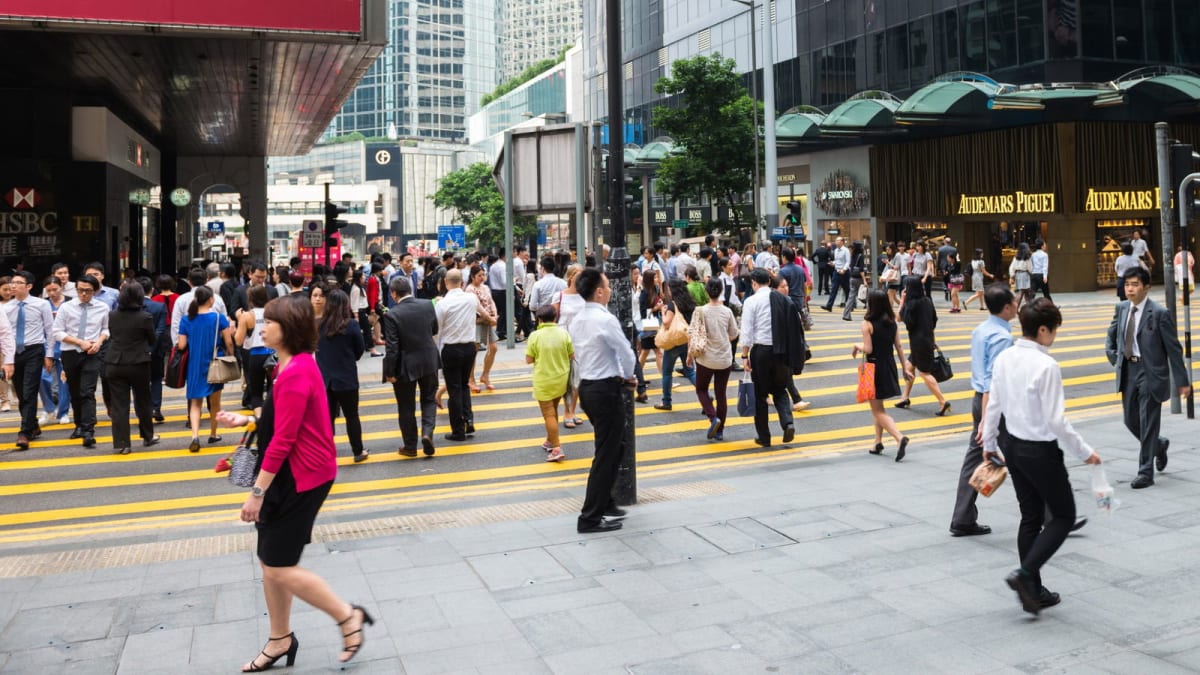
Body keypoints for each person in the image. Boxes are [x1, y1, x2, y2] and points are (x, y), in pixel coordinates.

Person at [215, 294, 374, 670]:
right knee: (269, 561)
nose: (262, 326)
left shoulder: (298, 371)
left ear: (288, 330)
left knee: (278, 565)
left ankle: (347, 616)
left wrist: (256, 495)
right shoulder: (288, 365)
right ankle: (280, 638)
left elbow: (284, 441)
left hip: (303, 477)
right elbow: (284, 421)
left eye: (269, 322)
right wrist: (249, 421)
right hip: (289, 474)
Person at [983, 298, 1102, 616]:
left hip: (1012, 447)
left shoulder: (1006, 357)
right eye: (1055, 330)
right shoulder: (1047, 365)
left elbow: (994, 402)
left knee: (1031, 517)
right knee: (1063, 517)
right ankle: (1024, 575)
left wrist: (989, 441)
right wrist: (1085, 452)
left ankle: (1033, 591)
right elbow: (1056, 421)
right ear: (1044, 329)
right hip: (1040, 450)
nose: (1055, 336)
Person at [1104, 266, 1190, 489]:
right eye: (1127, 284)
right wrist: (1115, 358)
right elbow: (1111, 337)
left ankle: (1145, 472)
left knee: (1148, 422)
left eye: (1134, 285)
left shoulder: (1159, 313)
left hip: (1150, 373)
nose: (1129, 289)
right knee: (1130, 420)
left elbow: (1174, 349)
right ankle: (1159, 446)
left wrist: (1182, 381)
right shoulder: (1122, 308)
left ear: (1146, 287)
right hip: (1128, 372)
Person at [568, 268, 637, 533]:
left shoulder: (577, 319)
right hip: (605, 390)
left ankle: (606, 502)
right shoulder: (604, 320)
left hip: (587, 388)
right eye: (607, 286)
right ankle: (589, 518)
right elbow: (625, 351)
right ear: (598, 292)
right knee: (606, 455)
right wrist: (630, 376)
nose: (609, 290)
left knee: (612, 447)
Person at [949, 283, 1018, 537]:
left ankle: (962, 518)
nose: (1017, 303)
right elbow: (993, 381)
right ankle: (1051, 514)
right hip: (994, 404)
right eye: (1014, 300)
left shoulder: (981, 330)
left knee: (974, 458)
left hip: (979, 400)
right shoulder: (1002, 338)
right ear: (1007, 307)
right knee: (1024, 455)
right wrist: (987, 421)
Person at [851, 289, 912, 460]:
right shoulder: (892, 322)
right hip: (889, 364)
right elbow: (899, 347)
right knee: (879, 407)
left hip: (874, 367)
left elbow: (868, 348)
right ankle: (877, 442)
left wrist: (857, 345)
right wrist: (904, 368)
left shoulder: (867, 323)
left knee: (877, 410)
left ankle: (899, 438)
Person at [739, 269, 797, 447]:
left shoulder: (751, 301)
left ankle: (764, 437)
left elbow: (747, 331)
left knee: (760, 394)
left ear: (754, 283)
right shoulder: (783, 299)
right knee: (780, 390)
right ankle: (787, 423)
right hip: (781, 351)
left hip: (761, 352)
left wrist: (744, 355)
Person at [382, 276, 440, 458]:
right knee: (429, 399)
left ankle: (410, 446)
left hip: (405, 364)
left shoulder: (392, 314)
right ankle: (427, 433)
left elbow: (392, 347)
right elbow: (434, 330)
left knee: (406, 405)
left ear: (393, 294)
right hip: (429, 359)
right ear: (410, 289)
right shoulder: (427, 305)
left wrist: (389, 372)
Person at [177, 286, 234, 453]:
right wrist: (231, 355)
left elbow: (181, 345)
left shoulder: (187, 319)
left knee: (195, 403)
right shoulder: (218, 318)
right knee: (215, 402)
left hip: (194, 364)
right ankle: (213, 434)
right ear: (211, 300)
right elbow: (229, 342)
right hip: (214, 364)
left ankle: (195, 436)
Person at [104, 282, 159, 454]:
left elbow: (112, 335)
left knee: (119, 405)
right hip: (138, 362)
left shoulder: (112, 315)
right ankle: (147, 436)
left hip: (115, 362)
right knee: (143, 400)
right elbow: (152, 339)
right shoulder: (145, 317)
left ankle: (122, 443)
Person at [52, 274, 105, 447]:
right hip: (70, 353)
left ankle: (89, 431)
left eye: (88, 291)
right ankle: (79, 425)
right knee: (74, 391)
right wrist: (79, 342)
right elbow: (57, 332)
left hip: (92, 353)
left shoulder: (102, 307)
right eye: (80, 290)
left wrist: (98, 342)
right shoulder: (67, 308)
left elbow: (106, 329)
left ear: (95, 291)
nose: (83, 294)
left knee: (87, 392)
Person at [315, 290, 366, 462]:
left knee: (327, 419)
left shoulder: (318, 325)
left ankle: (326, 453)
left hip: (324, 380)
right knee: (352, 415)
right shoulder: (350, 324)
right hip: (347, 378)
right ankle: (358, 451)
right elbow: (360, 349)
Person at [6, 272, 54, 450]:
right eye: (13, 282)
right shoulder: (5, 308)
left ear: (29, 286)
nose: (13, 285)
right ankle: (33, 425)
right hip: (14, 353)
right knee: (21, 392)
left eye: (18, 282)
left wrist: (49, 355)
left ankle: (24, 432)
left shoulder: (41, 304)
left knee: (29, 390)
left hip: (34, 350)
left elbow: (50, 331)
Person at [688, 278, 739, 441]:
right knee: (721, 394)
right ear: (721, 291)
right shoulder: (727, 311)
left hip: (705, 358)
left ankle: (713, 417)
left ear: (707, 292)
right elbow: (734, 334)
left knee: (701, 389)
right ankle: (720, 431)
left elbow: (692, 334)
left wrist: (689, 355)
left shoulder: (699, 311)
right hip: (724, 358)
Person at [894, 277, 951, 416]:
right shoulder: (927, 301)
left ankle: (943, 401)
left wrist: (902, 301)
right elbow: (934, 320)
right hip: (927, 339)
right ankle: (905, 397)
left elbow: (899, 318)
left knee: (924, 373)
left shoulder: (911, 304)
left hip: (918, 343)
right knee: (909, 368)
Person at [437, 269, 481, 442]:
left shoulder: (443, 304)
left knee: (454, 388)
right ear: (461, 282)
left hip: (451, 348)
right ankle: (468, 420)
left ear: (446, 283)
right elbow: (480, 312)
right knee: (464, 385)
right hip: (469, 347)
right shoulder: (471, 298)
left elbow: (437, 329)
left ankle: (458, 430)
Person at [526, 304, 574, 462]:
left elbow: (529, 359)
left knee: (548, 414)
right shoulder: (563, 333)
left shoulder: (535, 336)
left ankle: (557, 447)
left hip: (544, 379)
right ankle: (550, 440)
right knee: (553, 411)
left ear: (539, 319)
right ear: (555, 317)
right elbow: (572, 355)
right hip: (561, 378)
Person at [654, 279, 697, 411]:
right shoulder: (689, 303)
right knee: (690, 371)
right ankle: (705, 394)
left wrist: (662, 310)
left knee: (667, 373)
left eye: (668, 289)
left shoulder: (672, 305)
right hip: (686, 340)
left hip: (674, 342)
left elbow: (666, 323)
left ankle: (666, 401)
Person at [38, 276, 71, 427]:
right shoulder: (42, 304)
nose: (52, 293)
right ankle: (49, 408)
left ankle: (63, 412)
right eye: (48, 290)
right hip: (46, 346)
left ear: (61, 287)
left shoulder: (70, 302)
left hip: (66, 344)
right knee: (42, 378)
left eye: (55, 289)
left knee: (64, 381)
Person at [235, 285, 273, 412]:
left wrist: (239, 318)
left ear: (250, 299)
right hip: (273, 354)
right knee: (273, 391)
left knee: (256, 394)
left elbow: (238, 340)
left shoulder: (247, 316)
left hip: (255, 355)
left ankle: (260, 420)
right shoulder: (273, 312)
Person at [467, 263, 499, 392]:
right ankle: (471, 379)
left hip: (488, 321)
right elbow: (477, 307)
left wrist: (495, 315)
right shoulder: (469, 290)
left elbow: (491, 301)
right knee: (473, 351)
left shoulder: (485, 287)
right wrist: (490, 318)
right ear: (472, 277)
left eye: (483, 275)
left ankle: (485, 375)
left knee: (493, 348)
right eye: (479, 275)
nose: (482, 277)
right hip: (477, 322)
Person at [636, 270, 664, 405]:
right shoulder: (644, 293)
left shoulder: (655, 289)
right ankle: (640, 376)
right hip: (648, 326)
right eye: (655, 277)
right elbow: (642, 312)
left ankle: (639, 376)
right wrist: (655, 309)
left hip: (655, 325)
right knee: (650, 352)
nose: (657, 279)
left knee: (650, 352)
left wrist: (659, 307)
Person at [842, 241, 868, 322]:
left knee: (851, 297)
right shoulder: (861, 256)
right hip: (859, 278)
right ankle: (870, 314)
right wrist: (864, 280)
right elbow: (861, 269)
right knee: (868, 296)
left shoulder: (852, 255)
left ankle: (846, 315)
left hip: (852, 278)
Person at [822, 237, 851, 311]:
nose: (836, 242)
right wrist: (832, 263)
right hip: (836, 272)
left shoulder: (846, 250)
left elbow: (848, 262)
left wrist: (844, 270)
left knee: (847, 290)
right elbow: (837, 261)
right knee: (834, 289)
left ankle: (850, 306)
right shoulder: (835, 251)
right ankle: (829, 306)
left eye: (837, 240)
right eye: (836, 240)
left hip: (844, 273)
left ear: (842, 242)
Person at [487, 248, 508, 341]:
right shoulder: (503, 266)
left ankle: (500, 331)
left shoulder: (493, 266)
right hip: (502, 291)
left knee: (499, 312)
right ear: (504, 255)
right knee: (503, 312)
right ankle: (501, 332)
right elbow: (504, 282)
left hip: (494, 291)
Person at [1009, 242, 1034, 308]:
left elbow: (1012, 267)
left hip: (1018, 275)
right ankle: (1016, 308)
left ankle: (1028, 307)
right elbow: (1030, 268)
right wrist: (1031, 273)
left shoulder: (1016, 257)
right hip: (1025, 275)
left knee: (1025, 293)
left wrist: (1012, 276)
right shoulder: (1027, 257)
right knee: (1022, 293)